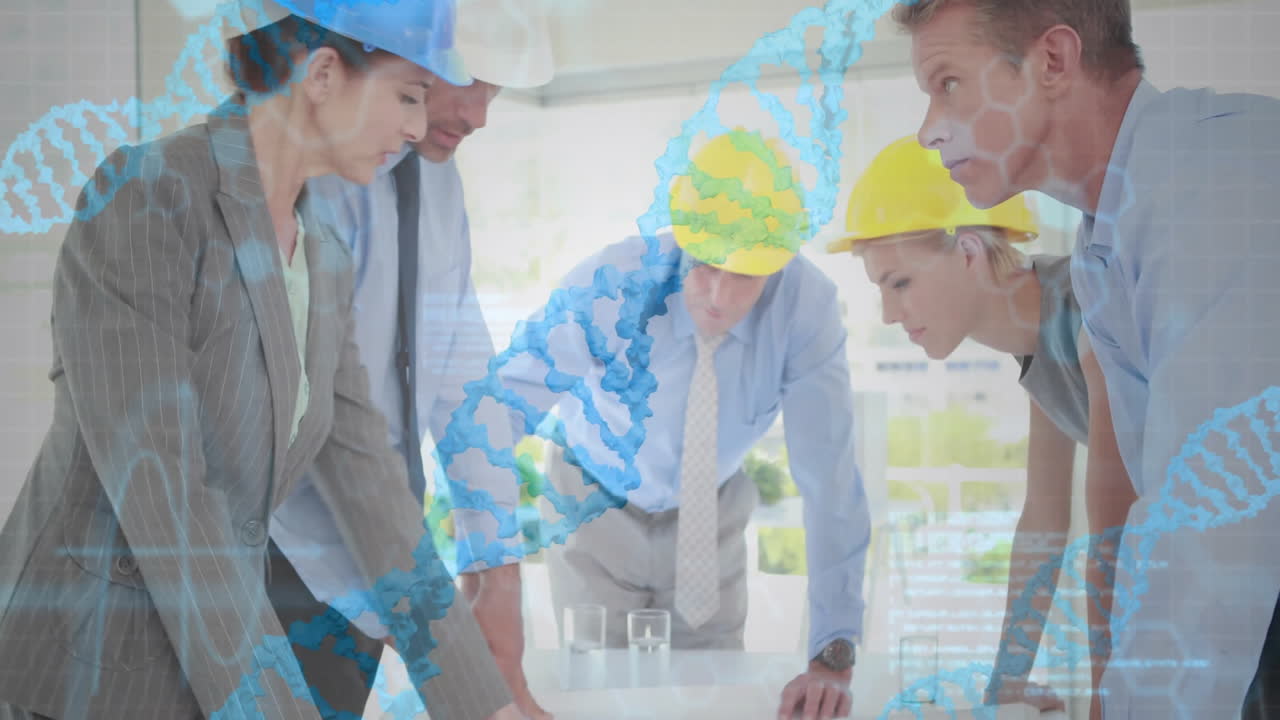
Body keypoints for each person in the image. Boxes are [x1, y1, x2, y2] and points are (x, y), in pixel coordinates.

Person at [0, 0, 522, 718]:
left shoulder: (324, 256)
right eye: (407, 94)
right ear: (324, 74)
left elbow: (374, 495)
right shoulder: (147, 198)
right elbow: (169, 495)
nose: (414, 125)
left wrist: (483, 706)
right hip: (87, 674)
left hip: (208, 669)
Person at [892, 0, 1280, 717]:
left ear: (1052, 61)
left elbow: (1211, 540)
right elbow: (1148, 532)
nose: (927, 131)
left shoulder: (1217, 189)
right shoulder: (1105, 254)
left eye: (947, 84)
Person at [499, 128, 871, 720]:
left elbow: (829, 479)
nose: (718, 296)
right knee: (601, 694)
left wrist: (834, 650)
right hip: (593, 502)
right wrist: (479, 585)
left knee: (712, 695)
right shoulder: (612, 285)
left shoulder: (807, 307)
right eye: (705, 266)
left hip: (712, 511)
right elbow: (498, 413)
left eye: (746, 274)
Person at [268, 0, 555, 717]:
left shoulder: (436, 181)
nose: (481, 114)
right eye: (469, 80)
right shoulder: (308, 173)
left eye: (497, 90)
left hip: (381, 558)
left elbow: (461, 376)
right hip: (281, 563)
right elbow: (319, 413)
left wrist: (497, 564)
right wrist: (420, 607)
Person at [829, 135, 1132, 711]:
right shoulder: (1040, 336)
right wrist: (1009, 680)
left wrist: (1104, 700)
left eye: (900, 283)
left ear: (969, 252)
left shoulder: (1090, 314)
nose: (890, 315)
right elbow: (1044, 520)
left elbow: (1113, 544)